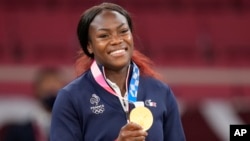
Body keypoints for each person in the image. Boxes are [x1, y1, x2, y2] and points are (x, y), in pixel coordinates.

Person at [50, 2, 185, 141]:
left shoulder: (161, 91)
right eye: (104, 36)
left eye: (123, 31)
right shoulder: (71, 98)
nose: (116, 40)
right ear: (89, 46)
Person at [0, 67, 64, 141]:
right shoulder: (18, 131)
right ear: (37, 90)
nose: (52, 86)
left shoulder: (74, 129)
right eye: (48, 90)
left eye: (56, 86)